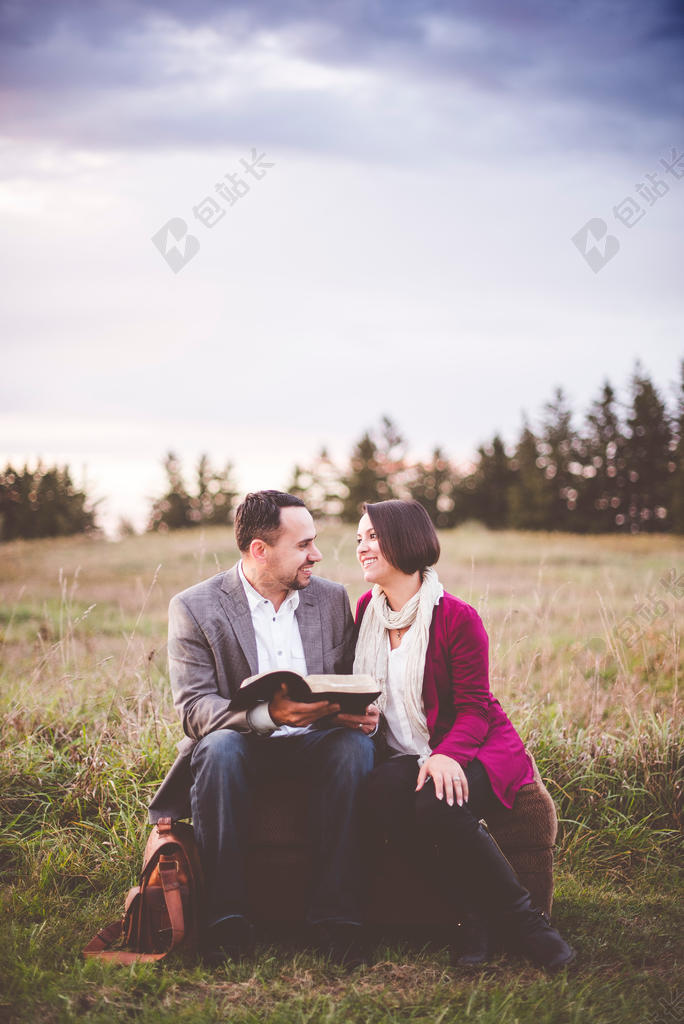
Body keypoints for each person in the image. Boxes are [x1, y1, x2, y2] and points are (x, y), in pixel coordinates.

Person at [148, 490, 378, 965]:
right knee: (218, 748)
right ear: (260, 550)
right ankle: (226, 919)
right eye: (303, 545)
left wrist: (358, 712)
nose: (316, 554)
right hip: (244, 745)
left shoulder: (332, 598)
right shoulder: (195, 607)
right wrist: (270, 716)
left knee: (353, 749)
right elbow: (195, 710)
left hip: (316, 742)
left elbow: (345, 678)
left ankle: (337, 918)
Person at [353, 499, 575, 969]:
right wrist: (360, 717)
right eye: (359, 538)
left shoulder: (456, 616)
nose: (362, 547)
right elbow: (367, 691)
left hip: (475, 746)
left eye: (372, 536)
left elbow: (475, 708)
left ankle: (528, 923)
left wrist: (446, 755)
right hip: (405, 754)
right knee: (379, 793)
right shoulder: (365, 613)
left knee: (436, 799)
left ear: (404, 540)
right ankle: (470, 914)